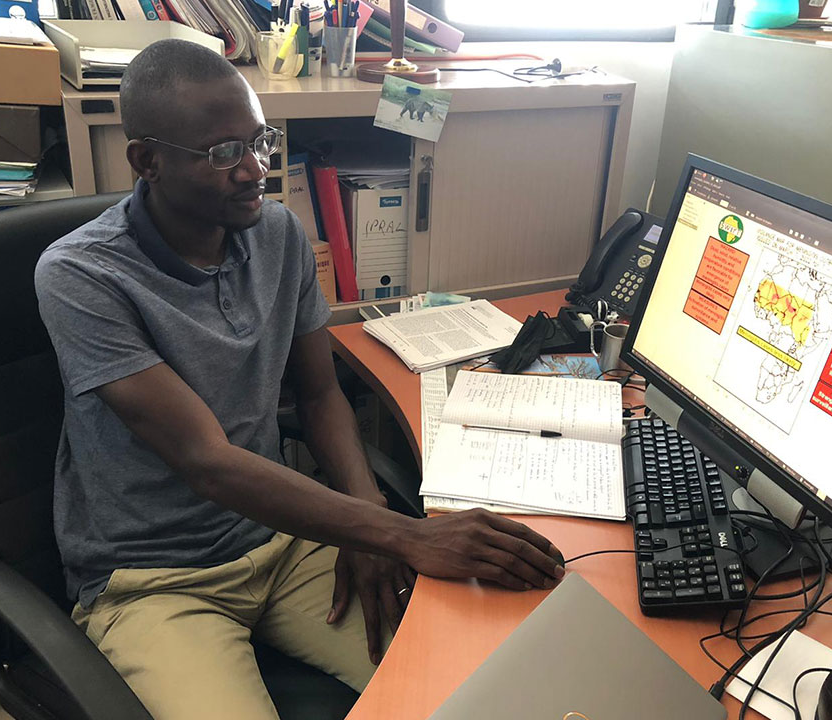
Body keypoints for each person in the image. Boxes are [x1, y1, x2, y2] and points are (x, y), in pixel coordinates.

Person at [34, 39, 565, 719]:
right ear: (148, 160)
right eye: (225, 153)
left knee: (467, 687)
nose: (256, 169)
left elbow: (320, 394)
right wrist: (397, 534)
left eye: (260, 140)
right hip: (154, 580)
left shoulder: (278, 233)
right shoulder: (82, 276)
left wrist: (365, 523)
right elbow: (209, 463)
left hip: (281, 538)